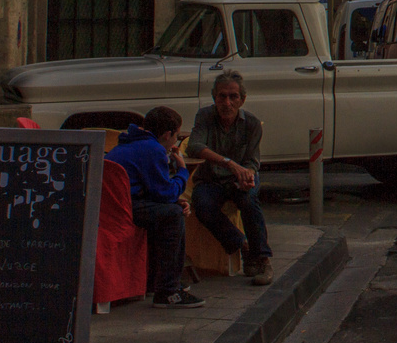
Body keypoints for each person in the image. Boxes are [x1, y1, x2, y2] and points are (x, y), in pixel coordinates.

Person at [106, 106, 204, 308]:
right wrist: (183, 171)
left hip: (112, 207)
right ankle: (168, 291)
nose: (175, 143)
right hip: (123, 209)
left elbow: (154, 190)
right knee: (173, 216)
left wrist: (174, 199)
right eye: (176, 137)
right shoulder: (153, 149)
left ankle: (154, 280)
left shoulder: (130, 143)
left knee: (169, 211)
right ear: (167, 134)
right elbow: (165, 192)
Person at [186, 71, 273, 285]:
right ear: (214, 98)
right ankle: (243, 247)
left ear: (242, 99)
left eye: (233, 96)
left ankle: (263, 259)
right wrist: (229, 163)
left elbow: (252, 161)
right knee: (202, 205)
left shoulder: (251, 123)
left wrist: (247, 175)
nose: (227, 102)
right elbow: (194, 146)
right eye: (222, 96)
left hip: (239, 179)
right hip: (211, 179)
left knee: (249, 201)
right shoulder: (205, 116)